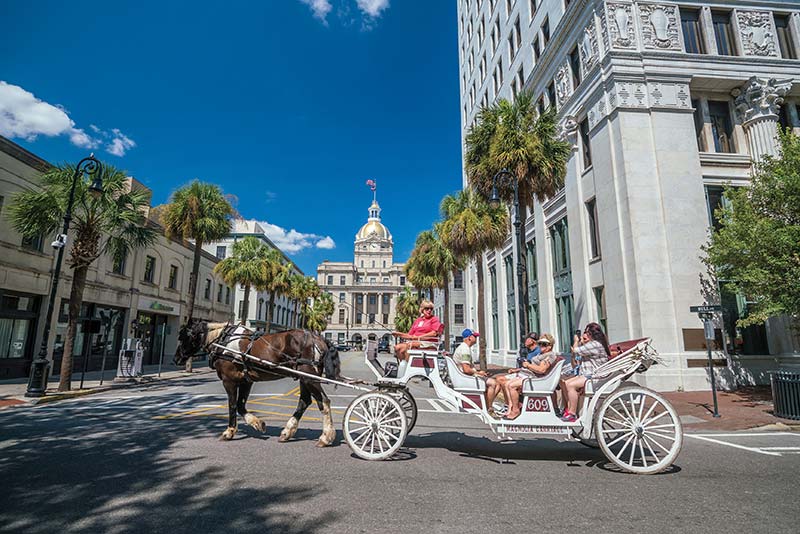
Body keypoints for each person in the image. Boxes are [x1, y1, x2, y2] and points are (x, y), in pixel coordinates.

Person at [559, 322, 610, 422]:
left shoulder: (595, 344)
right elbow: (575, 362)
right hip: (587, 374)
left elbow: (575, 350)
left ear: (591, 334)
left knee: (571, 385)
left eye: (586, 332)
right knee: (565, 383)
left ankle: (572, 413)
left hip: (595, 376)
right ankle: (568, 410)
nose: (584, 335)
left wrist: (576, 341)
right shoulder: (590, 346)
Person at [502, 333, 558, 419]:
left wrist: (528, 365)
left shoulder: (549, 355)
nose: (541, 346)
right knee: (507, 384)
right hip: (533, 376)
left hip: (538, 380)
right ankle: (511, 408)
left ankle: (515, 410)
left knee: (511, 386)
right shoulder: (541, 354)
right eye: (540, 343)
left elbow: (541, 369)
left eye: (544, 344)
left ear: (549, 346)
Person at [452, 329, 502, 415]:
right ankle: (489, 408)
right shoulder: (465, 349)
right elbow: (466, 369)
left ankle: (487, 406)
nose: (476, 338)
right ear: (469, 338)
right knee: (493, 383)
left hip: (463, 376)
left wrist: (479, 372)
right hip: (466, 378)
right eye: (474, 336)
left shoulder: (463, 347)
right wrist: (479, 373)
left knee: (497, 383)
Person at [392, 300, 442, 375]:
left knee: (407, 346)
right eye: (427, 308)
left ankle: (407, 368)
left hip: (427, 343)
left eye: (431, 309)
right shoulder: (418, 321)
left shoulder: (434, 319)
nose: (429, 310)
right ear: (422, 309)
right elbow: (410, 335)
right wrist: (399, 334)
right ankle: (406, 365)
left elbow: (434, 333)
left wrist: (419, 337)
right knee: (397, 347)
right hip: (415, 341)